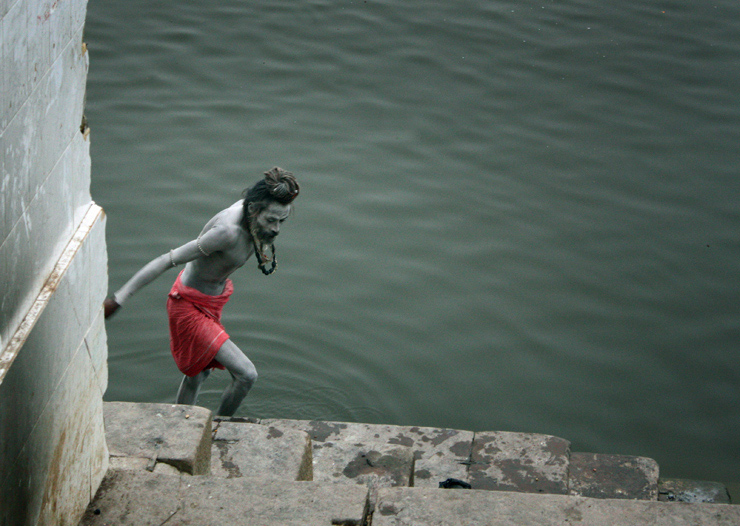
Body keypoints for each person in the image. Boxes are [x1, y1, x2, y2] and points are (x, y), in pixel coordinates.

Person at [104, 167, 300, 417]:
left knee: (199, 373)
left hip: (213, 301)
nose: (276, 229)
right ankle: (221, 425)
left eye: (282, 221)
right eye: (271, 220)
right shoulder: (226, 232)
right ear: (253, 210)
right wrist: (119, 299)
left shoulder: (257, 216)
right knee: (246, 374)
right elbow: (167, 260)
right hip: (187, 305)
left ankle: (179, 424)